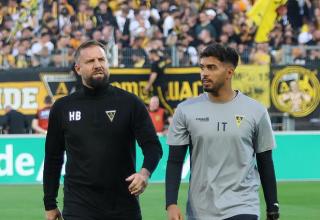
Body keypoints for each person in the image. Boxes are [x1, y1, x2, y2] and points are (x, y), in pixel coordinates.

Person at [43, 40, 163, 220]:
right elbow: (53, 158)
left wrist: (144, 173)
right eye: (90, 61)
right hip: (79, 207)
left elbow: (153, 146)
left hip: (124, 207)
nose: (98, 65)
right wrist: (50, 204)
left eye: (102, 59)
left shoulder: (130, 103)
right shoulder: (62, 108)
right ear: (78, 69)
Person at [165, 43, 279, 220]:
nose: (204, 73)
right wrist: (171, 203)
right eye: (202, 67)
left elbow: (265, 162)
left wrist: (273, 206)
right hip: (200, 209)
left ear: (229, 73)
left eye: (211, 68)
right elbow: (174, 161)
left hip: (243, 205)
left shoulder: (256, 111)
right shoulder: (185, 110)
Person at [144, 49, 174, 115]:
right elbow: (169, 60)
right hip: (164, 84)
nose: (148, 56)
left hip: (159, 86)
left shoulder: (154, 64)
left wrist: (148, 85)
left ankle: (173, 115)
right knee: (159, 103)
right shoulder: (162, 60)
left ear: (153, 54)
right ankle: (164, 116)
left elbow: (154, 75)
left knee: (163, 102)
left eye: (149, 55)